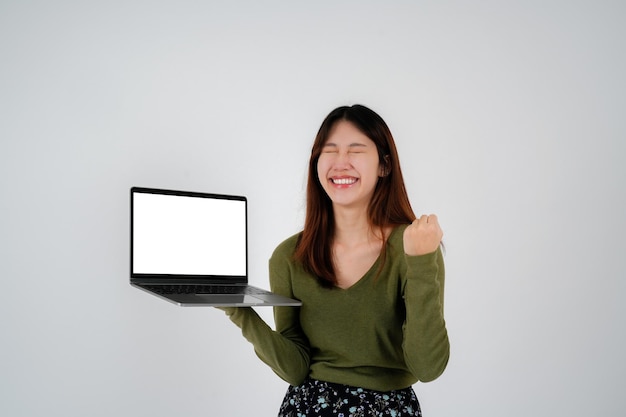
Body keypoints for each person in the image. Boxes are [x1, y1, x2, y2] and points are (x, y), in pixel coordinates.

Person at [220, 104, 449, 416]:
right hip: (307, 408)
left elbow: (428, 367)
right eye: (329, 151)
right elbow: (295, 369)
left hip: (388, 409)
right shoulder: (289, 256)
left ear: (384, 165)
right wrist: (236, 307)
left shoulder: (414, 246)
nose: (341, 163)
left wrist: (422, 261)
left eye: (355, 150)